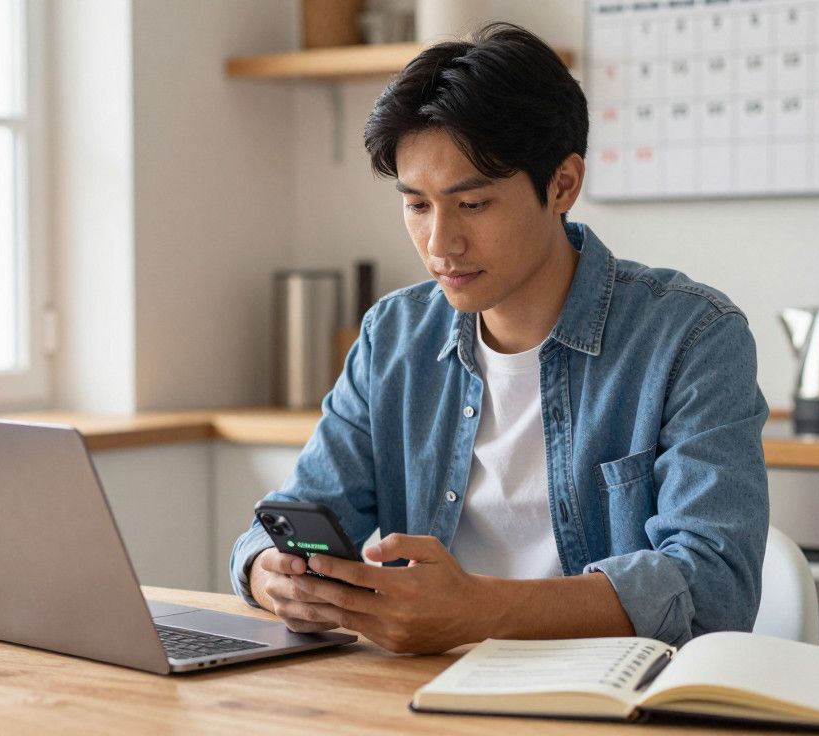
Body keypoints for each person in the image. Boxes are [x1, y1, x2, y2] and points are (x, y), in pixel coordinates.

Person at [230, 22, 769, 654]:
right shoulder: (393, 338)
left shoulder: (692, 338)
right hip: (424, 686)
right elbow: (294, 514)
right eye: (417, 205)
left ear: (563, 185)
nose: (440, 244)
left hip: (610, 693)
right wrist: (266, 573)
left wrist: (480, 612)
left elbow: (714, 586)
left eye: (473, 205)